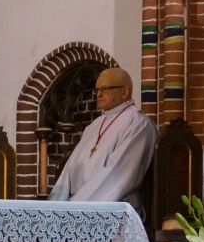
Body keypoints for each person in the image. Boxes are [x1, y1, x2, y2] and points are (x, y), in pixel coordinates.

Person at [48, 67, 158, 217]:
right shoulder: (95, 125)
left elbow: (119, 174)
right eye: (97, 90)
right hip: (76, 205)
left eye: (105, 89)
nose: (98, 94)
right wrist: (55, 206)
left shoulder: (138, 124)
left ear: (125, 91)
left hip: (111, 210)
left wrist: (74, 208)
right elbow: (69, 168)